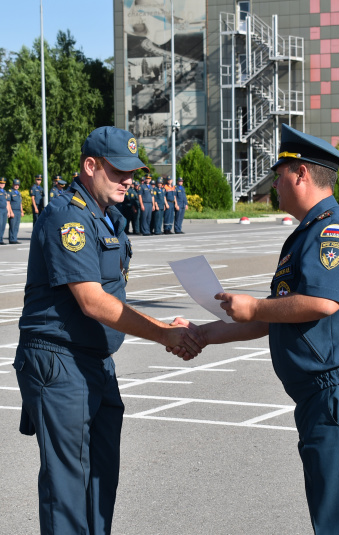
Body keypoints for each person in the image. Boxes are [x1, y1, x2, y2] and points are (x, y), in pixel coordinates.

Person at [173, 123, 339, 535]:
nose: (275, 182)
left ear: (301, 174)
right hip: (323, 394)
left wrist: (253, 304)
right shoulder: (305, 235)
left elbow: (323, 303)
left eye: (280, 174)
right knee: (332, 517)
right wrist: (202, 333)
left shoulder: (332, 231)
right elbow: (271, 318)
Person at [13, 126, 204, 535]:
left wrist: (164, 326)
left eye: (133, 172)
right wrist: (163, 333)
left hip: (95, 361)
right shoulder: (69, 216)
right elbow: (92, 300)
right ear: (90, 166)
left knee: (101, 479)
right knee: (68, 487)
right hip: (60, 361)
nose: (128, 180)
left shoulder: (108, 217)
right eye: (118, 172)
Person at [8, 179, 24, 244]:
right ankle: (11, 239)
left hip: (18, 211)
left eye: (17, 185)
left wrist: (22, 211)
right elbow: (8, 203)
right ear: (13, 185)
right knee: (12, 225)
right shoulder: (10, 192)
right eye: (15, 185)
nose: (16, 186)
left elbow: (20, 203)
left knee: (16, 226)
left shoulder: (18, 193)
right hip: (13, 210)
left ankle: (15, 238)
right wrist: (10, 212)